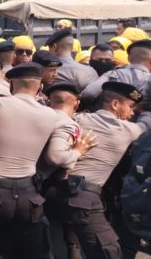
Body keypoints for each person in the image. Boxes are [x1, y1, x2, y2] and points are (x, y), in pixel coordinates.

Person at [0, 62, 57, 259]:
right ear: (40, 87)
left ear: (11, 85)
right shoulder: (50, 114)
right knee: (31, 250)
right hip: (30, 194)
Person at [61, 81, 151, 259]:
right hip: (85, 197)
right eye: (131, 107)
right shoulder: (127, 130)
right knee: (110, 251)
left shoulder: (77, 119)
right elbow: (147, 124)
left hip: (56, 191)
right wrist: (146, 109)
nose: (132, 113)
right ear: (115, 104)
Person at [39, 82, 97, 259]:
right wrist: (77, 152)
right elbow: (56, 157)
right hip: (45, 182)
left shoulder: (40, 116)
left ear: (50, 101)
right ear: (77, 103)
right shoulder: (68, 124)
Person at [81, 39, 151, 103]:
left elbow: (89, 93)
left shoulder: (112, 75)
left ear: (129, 58)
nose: (103, 63)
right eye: (100, 60)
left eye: (108, 60)